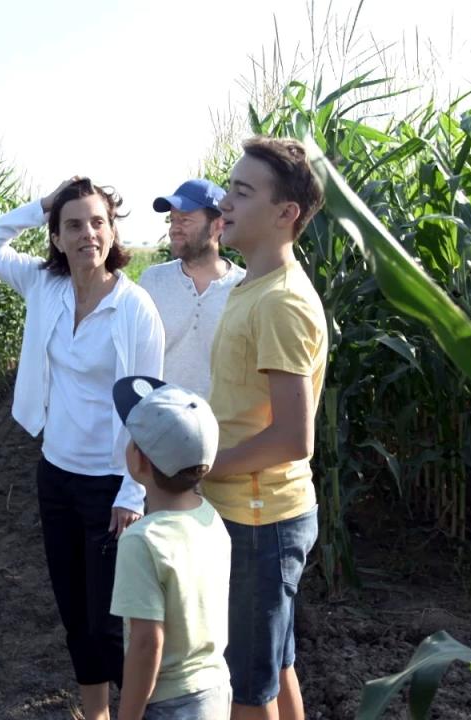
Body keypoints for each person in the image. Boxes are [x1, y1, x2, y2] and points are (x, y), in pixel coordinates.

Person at [0, 177, 165, 720]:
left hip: (111, 485)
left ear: (112, 231)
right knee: (74, 611)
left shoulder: (134, 307)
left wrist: (132, 490)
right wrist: (43, 205)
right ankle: (94, 713)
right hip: (55, 474)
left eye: (98, 222)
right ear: (55, 236)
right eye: (73, 225)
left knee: (108, 619)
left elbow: (147, 406)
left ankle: (137, 711)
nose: (87, 234)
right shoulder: (43, 287)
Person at [203, 137, 327, 720]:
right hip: (258, 513)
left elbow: (292, 438)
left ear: (286, 214)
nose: (224, 201)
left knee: (245, 689)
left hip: (259, 518)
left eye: (242, 192)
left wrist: (201, 468)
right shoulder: (252, 287)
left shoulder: (279, 301)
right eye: (229, 187)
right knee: (274, 665)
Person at [110, 375, 231, 720]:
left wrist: (128, 716)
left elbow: (147, 643)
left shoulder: (142, 542)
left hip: (170, 704)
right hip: (215, 690)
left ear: (141, 461)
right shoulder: (211, 519)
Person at [139, 179, 245, 399]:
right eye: (172, 220)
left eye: (185, 220)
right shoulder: (153, 281)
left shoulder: (244, 288)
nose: (174, 229)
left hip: (223, 429)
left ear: (218, 225)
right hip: (160, 424)